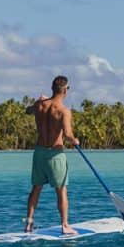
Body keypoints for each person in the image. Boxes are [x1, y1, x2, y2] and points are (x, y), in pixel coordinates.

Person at [24, 75, 80, 234]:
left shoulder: (39, 105)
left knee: (36, 188)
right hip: (55, 154)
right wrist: (74, 140)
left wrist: (41, 101)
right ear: (64, 90)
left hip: (39, 153)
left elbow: (28, 110)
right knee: (61, 190)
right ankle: (65, 225)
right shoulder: (64, 111)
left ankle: (28, 224)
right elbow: (68, 134)